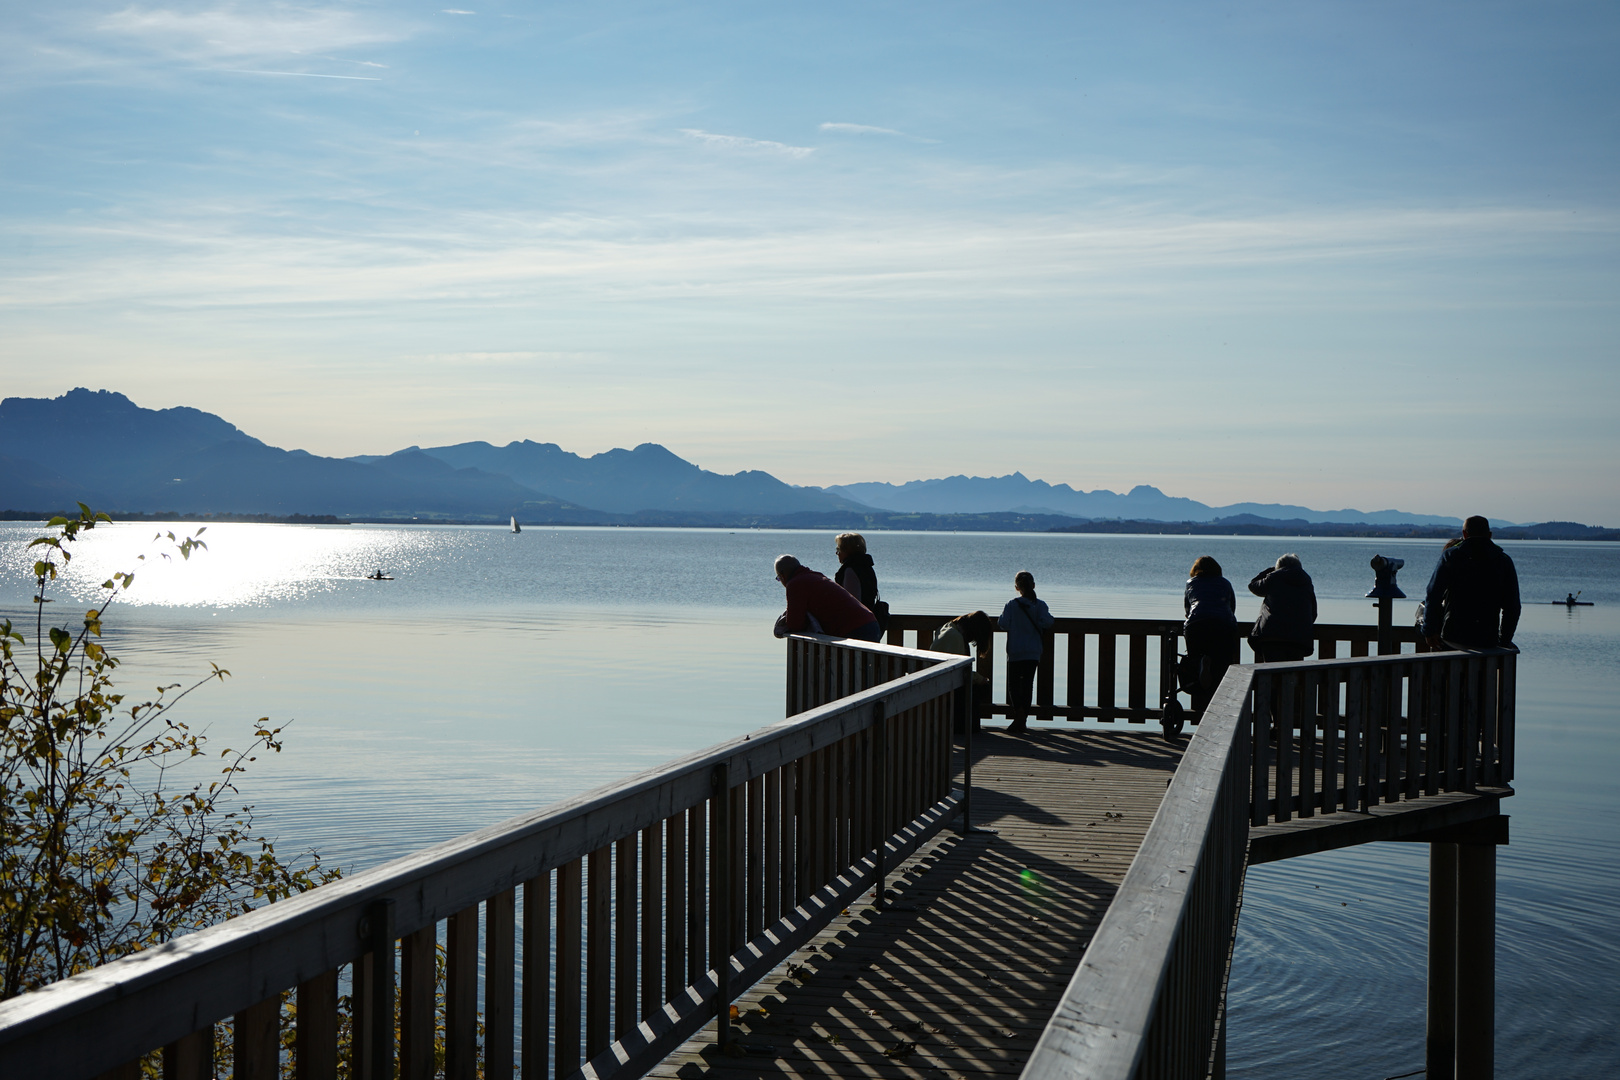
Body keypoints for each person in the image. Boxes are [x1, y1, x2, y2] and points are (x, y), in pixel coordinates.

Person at [1421, 517, 1521, 650]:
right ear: (1490, 535)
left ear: (1464, 534)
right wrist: (1504, 640)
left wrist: (1429, 630)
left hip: (1453, 636)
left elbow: (1433, 594)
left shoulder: (1450, 556)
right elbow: (1512, 607)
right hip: (1487, 640)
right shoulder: (1503, 561)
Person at [771, 554, 882, 642]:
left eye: (779, 578)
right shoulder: (815, 576)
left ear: (783, 575)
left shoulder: (795, 584)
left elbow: (795, 624)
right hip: (871, 624)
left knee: (842, 670)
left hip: (856, 630)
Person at [998, 572, 1054, 734]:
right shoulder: (1040, 605)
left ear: (1017, 588)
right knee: (1028, 685)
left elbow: (1003, 623)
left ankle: (1019, 716)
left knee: (1014, 685)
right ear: (1033, 585)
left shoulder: (1012, 604)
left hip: (1016, 651)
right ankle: (1022, 719)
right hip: (1033, 651)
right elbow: (1048, 622)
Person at [1183, 556, 1238, 714]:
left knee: (1195, 659)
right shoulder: (1225, 583)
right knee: (1222, 663)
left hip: (1196, 626)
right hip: (1222, 626)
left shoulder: (1190, 583)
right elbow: (1231, 608)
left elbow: (1187, 611)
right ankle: (1219, 705)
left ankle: (1201, 663)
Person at [1247, 553, 1318, 662]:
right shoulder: (1306, 581)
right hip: (1298, 639)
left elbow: (1253, 586)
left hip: (1272, 636)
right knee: (1293, 675)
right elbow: (1313, 613)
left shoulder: (1273, 578)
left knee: (1272, 673)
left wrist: (1271, 571)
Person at [931, 611, 995, 729]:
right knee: (984, 688)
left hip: (939, 679)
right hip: (944, 683)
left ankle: (966, 724)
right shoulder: (956, 638)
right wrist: (980, 679)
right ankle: (966, 726)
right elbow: (959, 673)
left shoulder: (949, 627)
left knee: (979, 686)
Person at [834, 532, 888, 631]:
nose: (837, 553)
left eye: (838, 549)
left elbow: (852, 602)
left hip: (856, 625)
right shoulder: (867, 567)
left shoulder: (850, 570)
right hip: (870, 622)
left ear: (847, 550)